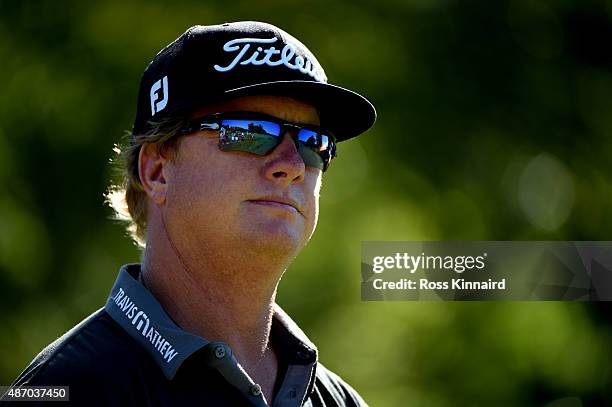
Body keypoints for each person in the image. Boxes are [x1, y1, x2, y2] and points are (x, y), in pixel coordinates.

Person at [3, 21, 376, 406]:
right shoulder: (65, 389)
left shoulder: (341, 401)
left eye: (313, 142)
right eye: (249, 130)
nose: (293, 164)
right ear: (157, 171)